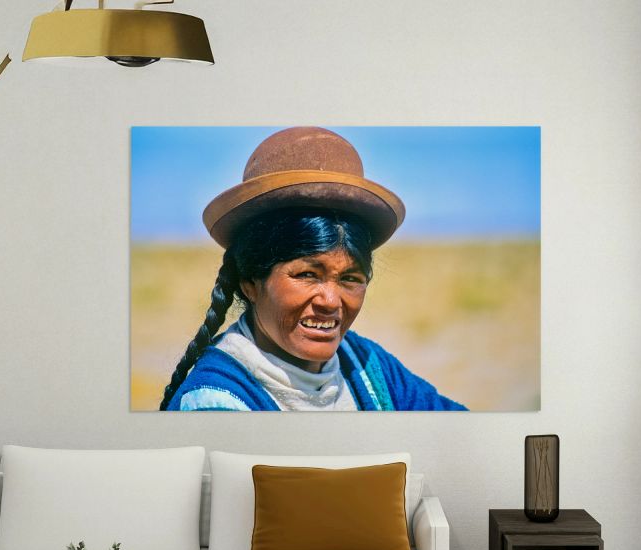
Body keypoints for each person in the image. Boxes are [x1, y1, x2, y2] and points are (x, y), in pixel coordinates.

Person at [159, 127, 466, 412]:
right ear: (250, 281)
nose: (330, 301)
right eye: (307, 275)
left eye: (350, 278)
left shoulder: (368, 366)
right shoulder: (214, 402)